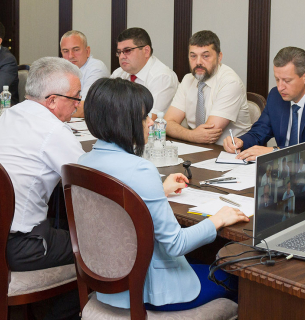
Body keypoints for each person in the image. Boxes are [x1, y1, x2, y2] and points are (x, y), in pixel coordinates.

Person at [79, 78, 248, 311]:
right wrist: (218, 219)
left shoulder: (83, 161)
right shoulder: (140, 170)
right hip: (151, 291)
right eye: (144, 117)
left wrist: (159, 190)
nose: (151, 122)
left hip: (108, 286)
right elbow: (176, 245)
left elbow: (117, 204)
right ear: (124, 122)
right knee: (240, 279)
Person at [0, 57, 83, 272]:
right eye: (76, 96)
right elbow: (90, 182)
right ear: (52, 100)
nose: (78, 103)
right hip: (14, 247)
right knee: (98, 243)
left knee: (60, 225)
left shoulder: (10, 113)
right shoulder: (53, 130)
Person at [224, 46, 305, 161]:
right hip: (282, 171)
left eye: (287, 81)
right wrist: (240, 142)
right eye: (277, 79)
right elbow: (259, 132)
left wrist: (274, 151)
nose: (280, 87)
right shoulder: (275, 96)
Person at [165, 30, 251, 145]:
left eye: (205, 56)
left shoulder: (230, 82)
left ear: (219, 57)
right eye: (193, 56)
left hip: (228, 151)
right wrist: (191, 135)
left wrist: (188, 135)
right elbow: (166, 123)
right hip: (196, 146)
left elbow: (208, 135)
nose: (198, 62)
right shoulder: (187, 79)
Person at [110, 27, 178, 119]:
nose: (121, 56)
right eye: (119, 52)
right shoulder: (118, 73)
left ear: (146, 51)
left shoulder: (162, 77)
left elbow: (151, 119)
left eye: (127, 51)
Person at [59, 30, 108, 118]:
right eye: (65, 51)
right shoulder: (60, 69)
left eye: (76, 50)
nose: (70, 56)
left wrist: (51, 110)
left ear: (87, 51)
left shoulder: (96, 68)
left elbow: (84, 109)